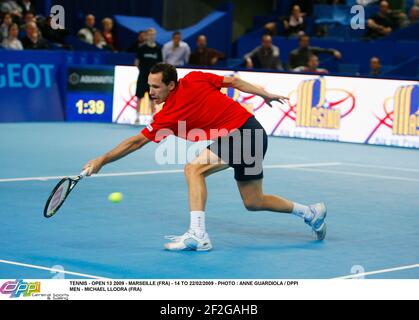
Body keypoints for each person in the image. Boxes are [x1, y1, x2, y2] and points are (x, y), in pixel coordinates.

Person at [82, 63, 328, 252]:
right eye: (149, 86)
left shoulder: (186, 91)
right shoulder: (177, 101)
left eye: (156, 87)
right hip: (253, 133)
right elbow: (235, 82)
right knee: (254, 201)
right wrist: (264, 95)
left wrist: (101, 160)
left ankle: (198, 234)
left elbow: (234, 81)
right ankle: (310, 213)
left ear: (171, 85)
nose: (151, 91)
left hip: (243, 132)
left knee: (193, 169)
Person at [134, 28, 162, 124]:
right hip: (142, 77)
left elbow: (160, 65)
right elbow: (137, 62)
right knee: (139, 97)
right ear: (146, 36)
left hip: (153, 80)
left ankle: (151, 118)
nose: (151, 36)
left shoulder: (158, 50)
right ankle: (137, 118)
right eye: (149, 34)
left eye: (153, 34)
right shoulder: (141, 48)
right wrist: (143, 72)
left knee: (152, 98)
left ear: (155, 36)